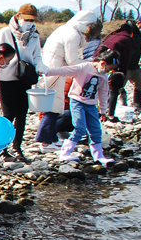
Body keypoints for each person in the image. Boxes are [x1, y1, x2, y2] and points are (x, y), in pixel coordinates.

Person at [40, 48, 118, 166]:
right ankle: (65, 153)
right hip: (77, 101)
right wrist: (47, 72)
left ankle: (99, 156)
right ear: (103, 63)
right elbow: (65, 70)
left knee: (96, 130)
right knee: (80, 128)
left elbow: (103, 93)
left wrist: (103, 111)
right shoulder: (84, 67)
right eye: (109, 68)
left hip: (91, 105)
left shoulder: (103, 76)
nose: (108, 71)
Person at [0, 4, 46, 162]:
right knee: (8, 115)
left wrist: (40, 66)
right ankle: (2, 148)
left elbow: (37, 56)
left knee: (22, 114)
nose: (29, 22)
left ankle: (17, 147)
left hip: (25, 78)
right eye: (26, 19)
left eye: (32, 20)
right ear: (19, 16)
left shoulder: (34, 35)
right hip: (6, 78)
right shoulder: (5, 32)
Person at [39, 10, 99, 149]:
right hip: (57, 72)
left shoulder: (65, 29)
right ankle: (45, 141)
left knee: (56, 107)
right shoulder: (73, 34)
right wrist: (89, 64)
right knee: (53, 108)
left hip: (52, 70)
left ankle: (52, 138)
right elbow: (72, 61)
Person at [100, 21, 141, 116]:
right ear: (131, 32)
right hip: (112, 64)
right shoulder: (127, 39)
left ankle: (102, 111)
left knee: (102, 88)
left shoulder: (112, 36)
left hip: (101, 63)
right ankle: (110, 114)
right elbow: (126, 58)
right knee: (114, 89)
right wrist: (122, 73)